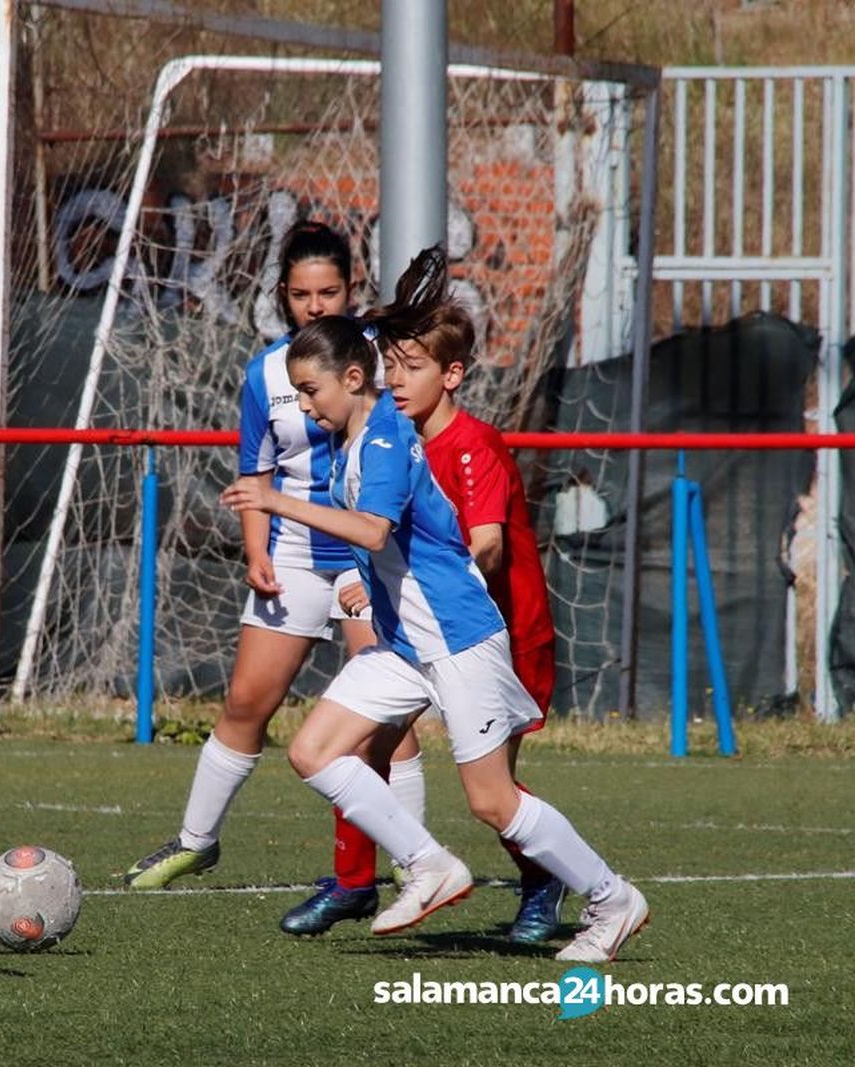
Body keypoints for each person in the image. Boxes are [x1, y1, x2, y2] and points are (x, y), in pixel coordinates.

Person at [221, 248, 648, 963]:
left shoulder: (385, 439)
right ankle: (427, 863)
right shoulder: (363, 434)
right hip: (405, 644)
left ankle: (611, 897)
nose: (303, 405)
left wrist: (275, 499)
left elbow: (375, 530)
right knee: (313, 749)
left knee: (492, 802)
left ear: (349, 380)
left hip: (456, 635)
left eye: (310, 389)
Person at [281, 281, 566, 944]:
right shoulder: (388, 438)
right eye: (393, 366)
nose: (397, 380)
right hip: (422, 636)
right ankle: (363, 879)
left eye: (412, 368)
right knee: (356, 744)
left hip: (492, 632)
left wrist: (436, 588)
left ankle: (551, 879)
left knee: (495, 797)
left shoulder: (471, 445)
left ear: (452, 373)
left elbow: (486, 545)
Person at [123, 222, 378, 890]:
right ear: (282, 297)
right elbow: (256, 475)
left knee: (382, 719)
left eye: (329, 290)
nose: (316, 305)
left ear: (352, 288)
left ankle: (404, 867)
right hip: (292, 553)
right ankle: (195, 839)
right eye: (301, 294)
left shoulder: (382, 356)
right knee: (244, 702)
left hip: (370, 559)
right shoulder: (267, 370)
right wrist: (256, 551)